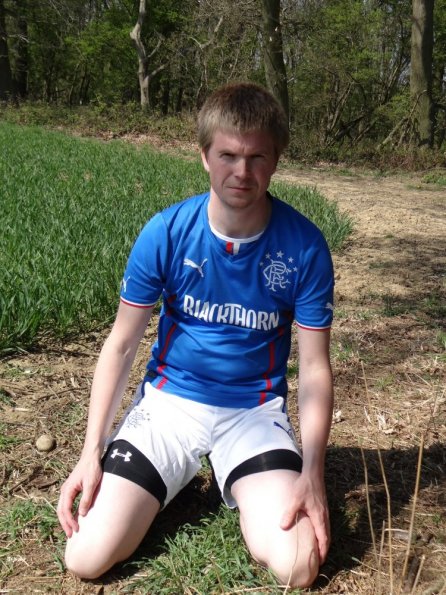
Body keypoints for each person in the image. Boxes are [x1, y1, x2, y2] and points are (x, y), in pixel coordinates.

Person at [57, 82, 334, 589]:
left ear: (276, 159)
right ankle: (168, 476)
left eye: (257, 157)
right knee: (85, 557)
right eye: (228, 154)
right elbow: (120, 344)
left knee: (297, 565)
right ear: (205, 156)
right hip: (169, 407)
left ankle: (227, 479)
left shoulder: (305, 247)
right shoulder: (165, 232)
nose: (242, 172)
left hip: (252, 414)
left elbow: (315, 368)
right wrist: (90, 450)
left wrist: (312, 473)